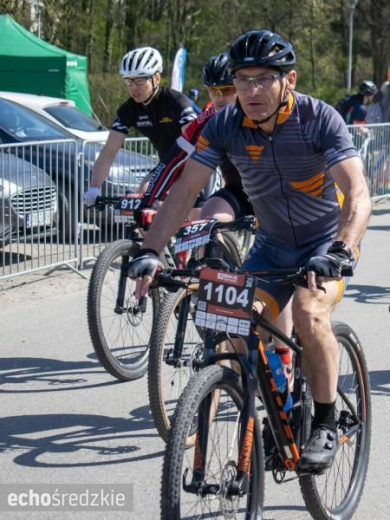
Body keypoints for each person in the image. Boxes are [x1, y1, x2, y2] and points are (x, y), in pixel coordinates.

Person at [127, 30, 372, 471]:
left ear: (289, 80)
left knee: (309, 313)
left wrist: (342, 248)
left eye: (263, 79)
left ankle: (325, 421)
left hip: (323, 245)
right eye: (242, 80)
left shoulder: (320, 119)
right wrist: (150, 250)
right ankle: (279, 409)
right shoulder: (224, 125)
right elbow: (185, 193)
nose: (251, 91)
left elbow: (357, 193)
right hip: (272, 245)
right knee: (235, 327)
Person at [139, 53, 252, 223]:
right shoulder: (207, 120)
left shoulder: (260, 115)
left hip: (274, 195)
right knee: (202, 226)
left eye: (227, 90)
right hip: (237, 193)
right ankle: (210, 248)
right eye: (214, 90)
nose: (220, 98)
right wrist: (149, 200)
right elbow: (173, 159)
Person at [82, 46, 197, 206]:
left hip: (195, 163)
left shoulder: (176, 101)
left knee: (197, 219)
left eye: (139, 81)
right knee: (143, 202)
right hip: (166, 165)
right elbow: (109, 151)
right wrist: (94, 187)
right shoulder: (128, 110)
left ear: (156, 78)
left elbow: (196, 145)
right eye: (128, 81)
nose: (133, 87)